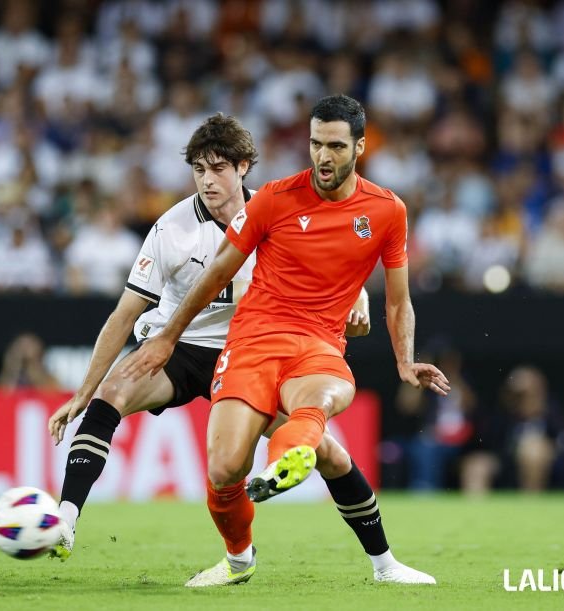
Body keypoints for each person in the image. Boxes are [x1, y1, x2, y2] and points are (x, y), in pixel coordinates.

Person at [122, 95, 449, 586]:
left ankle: (372, 553)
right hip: (252, 343)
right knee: (225, 470)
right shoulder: (274, 199)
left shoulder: (386, 211)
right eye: (316, 144)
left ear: (360, 147)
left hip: (319, 344)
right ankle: (239, 559)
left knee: (324, 397)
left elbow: (399, 301)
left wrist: (405, 361)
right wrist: (168, 336)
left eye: (335, 146)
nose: (323, 156)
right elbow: (216, 273)